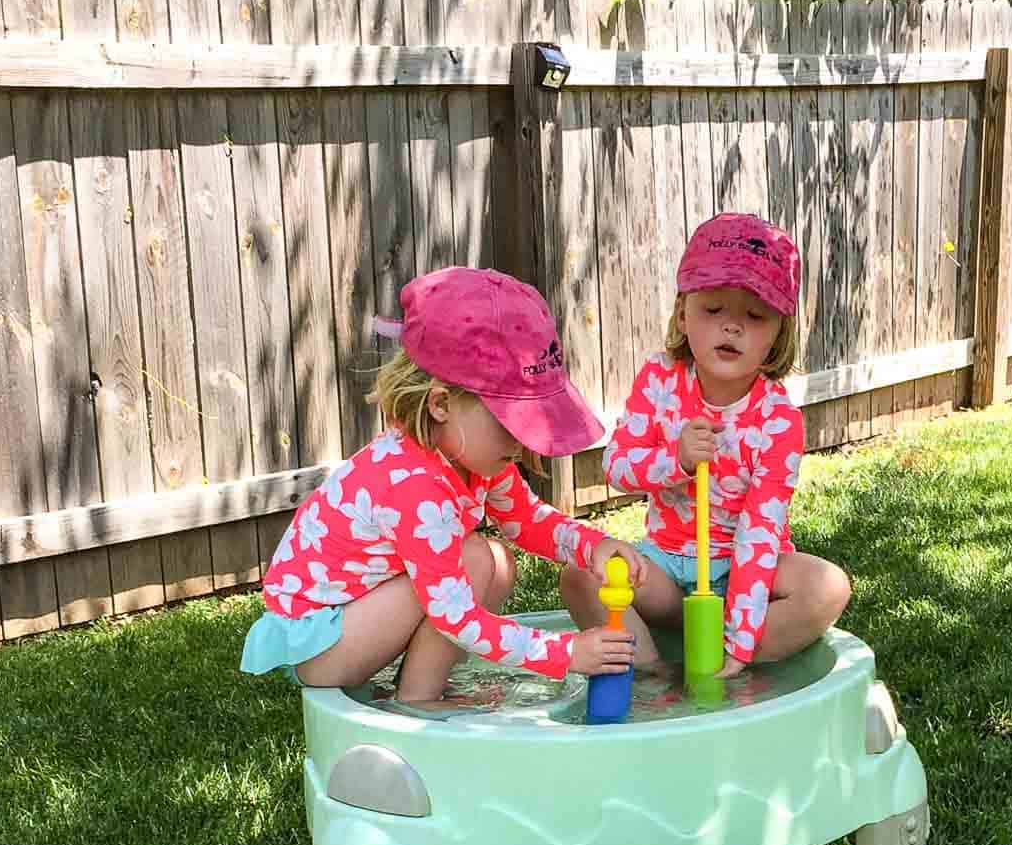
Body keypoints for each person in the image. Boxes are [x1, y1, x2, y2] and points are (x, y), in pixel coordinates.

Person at [241, 266, 646, 701]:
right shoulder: (414, 484)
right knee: (474, 558)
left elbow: (526, 521)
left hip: (356, 619)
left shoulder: (475, 455)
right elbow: (457, 616)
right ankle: (420, 703)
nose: (522, 440)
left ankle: (424, 686)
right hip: (319, 644)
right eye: (511, 423)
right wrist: (565, 652)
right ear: (440, 404)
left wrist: (593, 546)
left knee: (496, 559)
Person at [562, 213, 850, 675]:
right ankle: (655, 672)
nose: (731, 327)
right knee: (582, 573)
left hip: (745, 567)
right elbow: (616, 466)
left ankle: (722, 659)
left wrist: (740, 636)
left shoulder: (778, 420)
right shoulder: (660, 379)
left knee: (827, 587)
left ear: (779, 333)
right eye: (713, 309)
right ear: (683, 314)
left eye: (754, 316)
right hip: (667, 569)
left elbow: (759, 531)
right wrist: (675, 459)